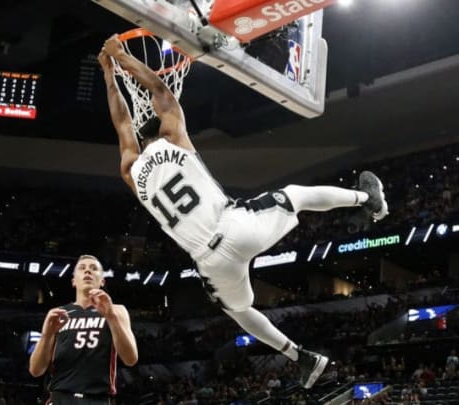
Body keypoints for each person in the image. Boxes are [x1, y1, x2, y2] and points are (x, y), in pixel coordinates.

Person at [98, 34, 388, 389]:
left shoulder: (131, 172)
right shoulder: (173, 135)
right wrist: (119, 59)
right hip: (233, 227)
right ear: (158, 131)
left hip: (208, 263)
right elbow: (158, 88)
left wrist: (109, 78)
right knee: (295, 195)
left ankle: (301, 357)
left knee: (239, 310)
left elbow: (121, 123)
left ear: (139, 145)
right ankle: (367, 199)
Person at [29, 255, 138, 404]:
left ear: (102, 281)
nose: (87, 271)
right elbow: (36, 370)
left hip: (97, 399)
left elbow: (130, 359)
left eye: (94, 269)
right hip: (60, 397)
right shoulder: (58, 313)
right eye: (82, 268)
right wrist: (47, 335)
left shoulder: (117, 311)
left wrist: (111, 316)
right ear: (74, 281)